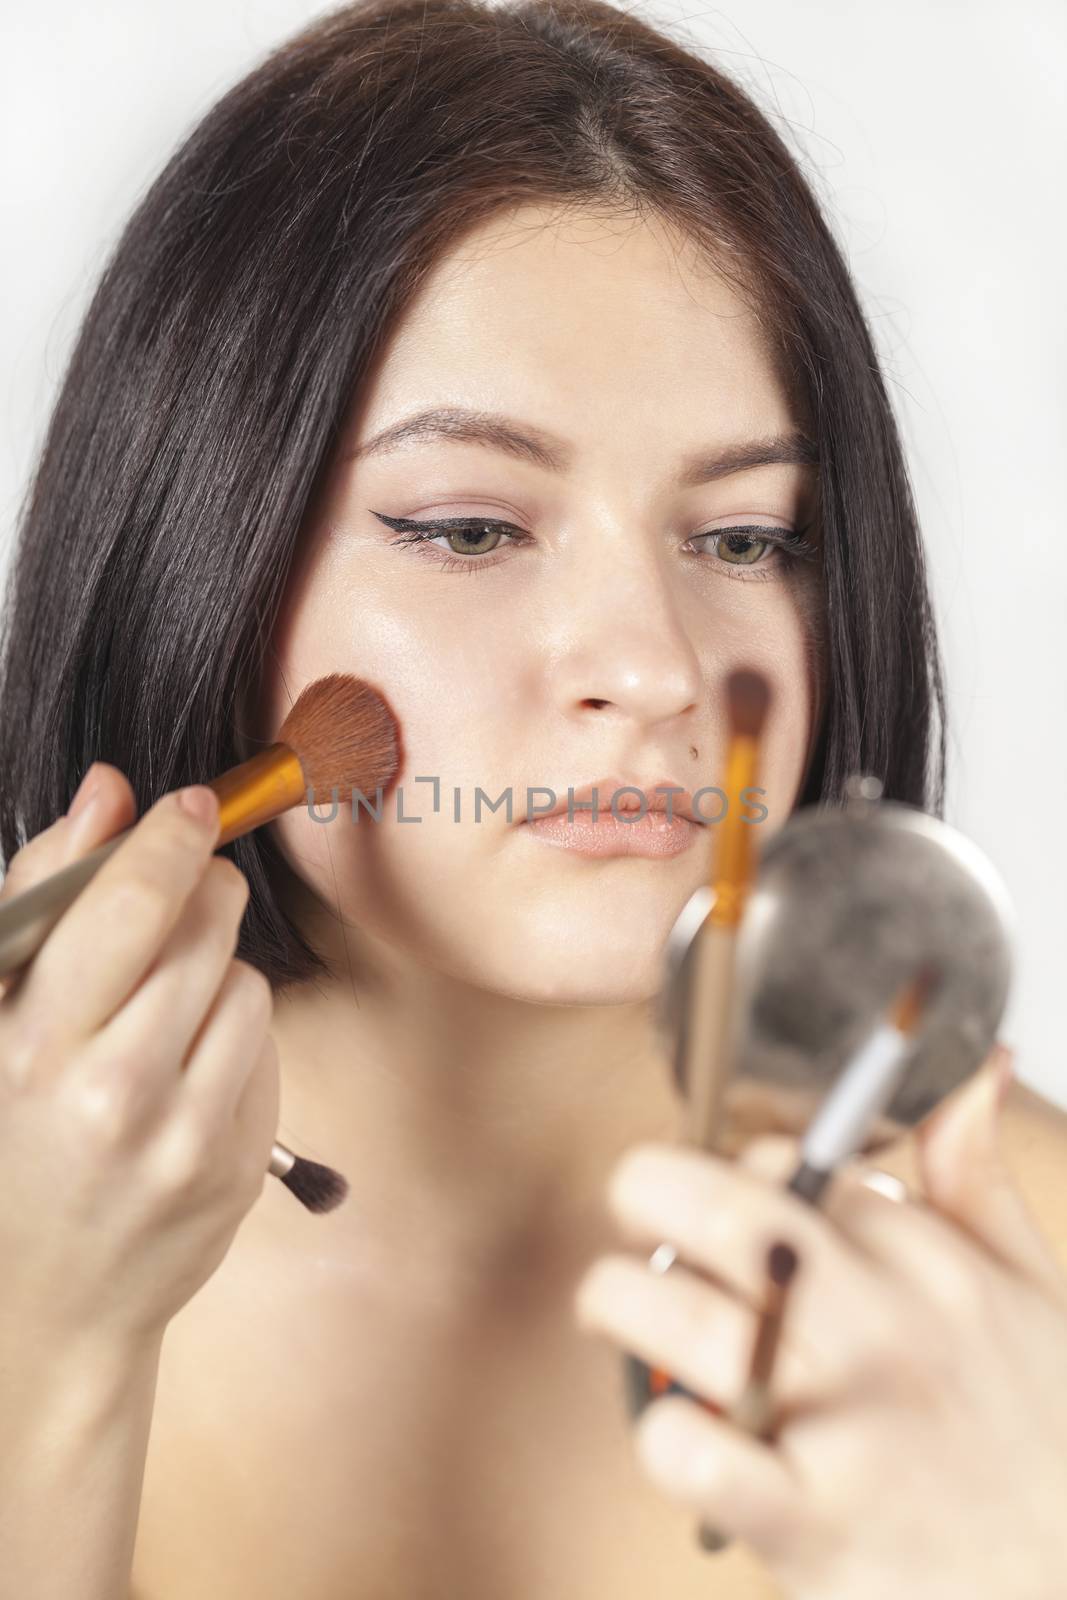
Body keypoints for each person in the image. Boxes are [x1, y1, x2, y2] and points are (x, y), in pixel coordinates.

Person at [1, 1, 1065, 1596]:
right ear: (195, 551)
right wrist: (42, 1351)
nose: (651, 668)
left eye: (742, 539)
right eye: (469, 529)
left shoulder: (1021, 1274)